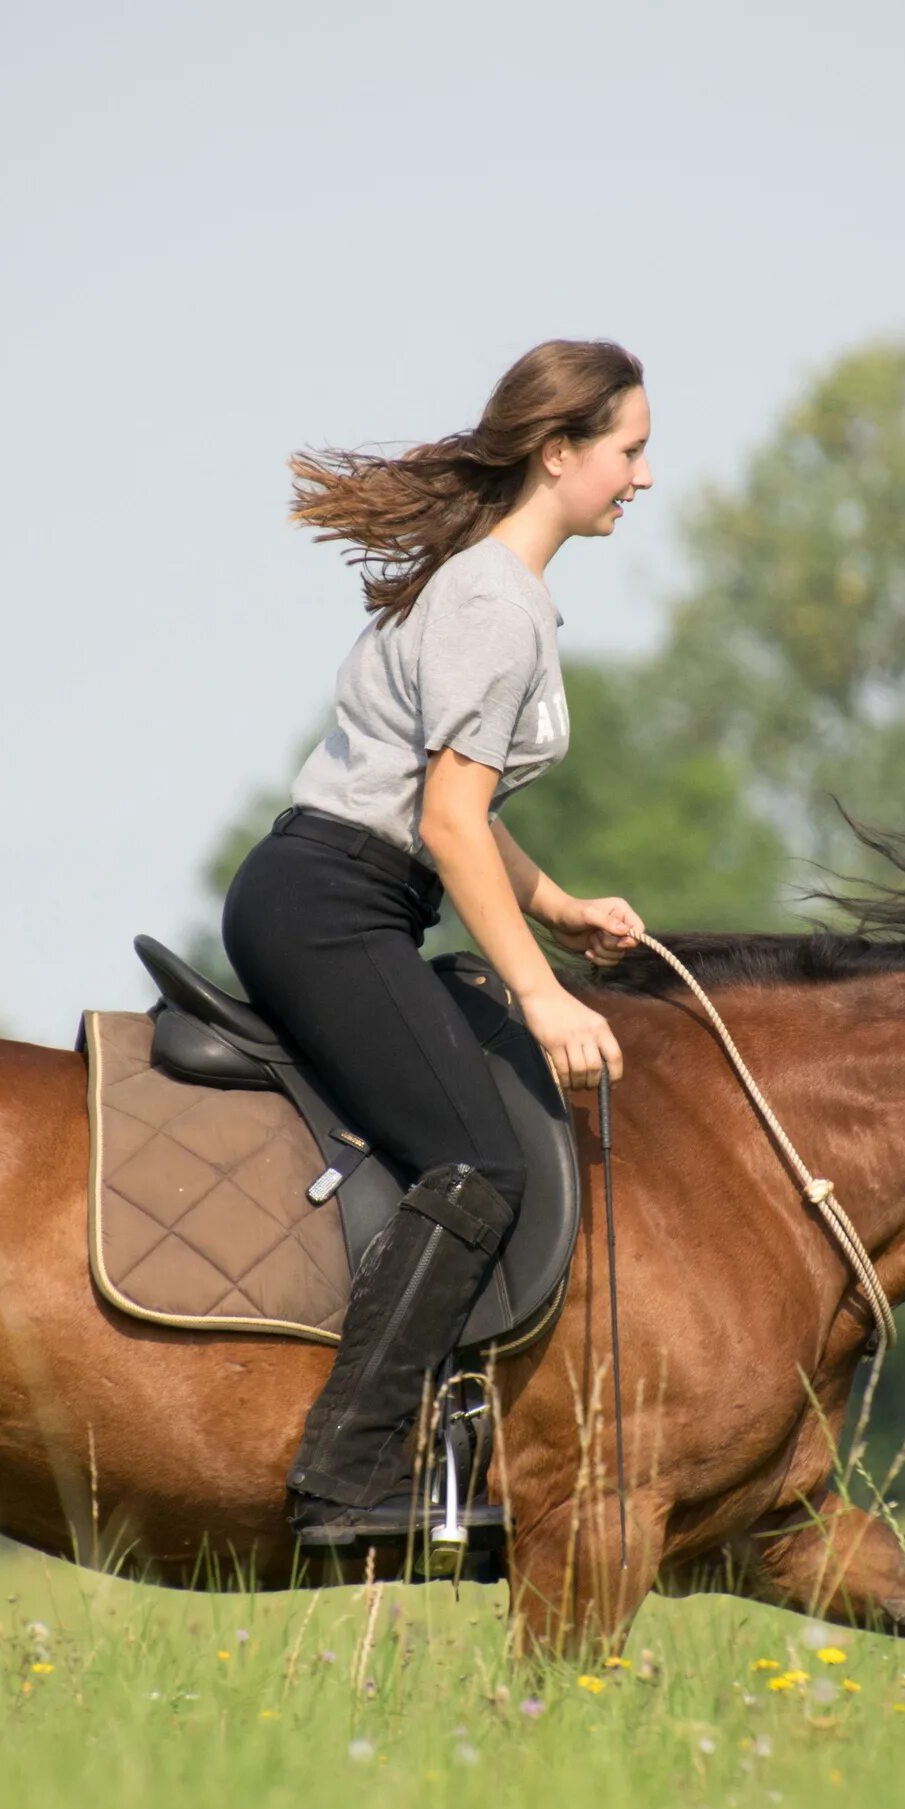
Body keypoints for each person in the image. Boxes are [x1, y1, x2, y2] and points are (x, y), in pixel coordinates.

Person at [223, 338, 653, 1550]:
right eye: (630, 450)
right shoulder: (490, 602)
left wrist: (560, 905)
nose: (644, 476)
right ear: (561, 453)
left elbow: (454, 810)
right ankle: (346, 1473)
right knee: (481, 1165)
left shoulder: (498, 593)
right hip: (329, 902)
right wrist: (546, 994)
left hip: (352, 890)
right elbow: (446, 821)